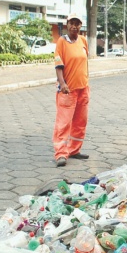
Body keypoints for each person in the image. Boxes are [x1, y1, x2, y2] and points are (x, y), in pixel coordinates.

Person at [52, 13, 91, 167]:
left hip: (83, 88)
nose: (75, 26)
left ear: (81, 26)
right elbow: (58, 64)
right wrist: (62, 84)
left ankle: (74, 149)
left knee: (80, 122)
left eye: (78, 23)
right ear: (67, 24)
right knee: (63, 123)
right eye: (72, 23)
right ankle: (61, 153)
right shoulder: (62, 42)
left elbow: (85, 62)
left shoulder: (83, 40)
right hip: (67, 90)